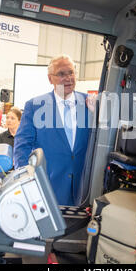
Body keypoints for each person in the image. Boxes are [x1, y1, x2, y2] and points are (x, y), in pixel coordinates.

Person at [13, 54, 95, 206]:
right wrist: (25, 179)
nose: (68, 78)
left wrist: (98, 115)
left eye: (71, 72)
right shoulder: (35, 106)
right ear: (50, 79)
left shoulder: (89, 103)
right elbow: (22, 145)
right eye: (61, 74)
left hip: (84, 190)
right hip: (48, 190)